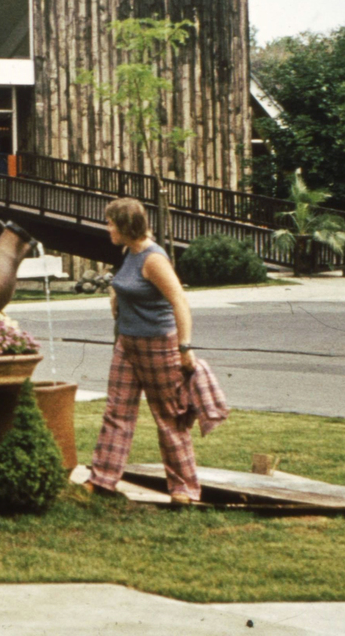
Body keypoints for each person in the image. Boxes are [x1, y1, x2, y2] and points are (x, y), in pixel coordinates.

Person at [87, 197, 201, 505]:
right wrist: (115, 296)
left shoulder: (154, 260)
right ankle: (102, 480)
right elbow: (126, 284)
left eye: (110, 222)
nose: (107, 227)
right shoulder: (129, 253)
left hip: (158, 346)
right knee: (117, 412)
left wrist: (185, 347)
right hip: (128, 344)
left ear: (125, 226)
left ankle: (183, 489)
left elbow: (180, 302)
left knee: (168, 417)